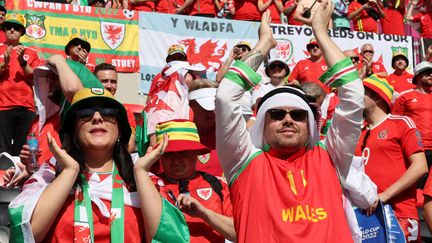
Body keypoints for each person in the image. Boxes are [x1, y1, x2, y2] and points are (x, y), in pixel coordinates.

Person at [215, 3, 364, 242]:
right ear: (262, 121)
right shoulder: (243, 162)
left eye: (297, 115)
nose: (287, 120)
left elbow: (354, 93)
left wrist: (321, 33)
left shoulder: (330, 156)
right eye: (276, 114)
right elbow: (225, 96)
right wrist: (264, 45)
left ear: (310, 123)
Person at [8, 88, 189, 242]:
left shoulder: (141, 176)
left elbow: (165, 236)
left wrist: (141, 172)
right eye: (85, 112)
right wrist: (70, 172)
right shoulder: (50, 173)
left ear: (120, 130)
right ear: (72, 131)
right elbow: (28, 234)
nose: (97, 117)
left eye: (108, 112)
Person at [355, 75, 427, 242]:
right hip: (368, 218)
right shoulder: (359, 133)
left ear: (377, 97)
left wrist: (384, 195)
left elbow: (420, 166)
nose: (356, 97)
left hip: (399, 214)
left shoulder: (401, 123)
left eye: (362, 92)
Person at [153, 119, 235, 242]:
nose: (176, 160)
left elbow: (237, 233)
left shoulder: (218, 185)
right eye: (169, 153)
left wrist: (204, 214)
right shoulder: (151, 185)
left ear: (196, 152)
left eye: (183, 152)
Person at [0, 13, 41, 156]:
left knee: (23, 150)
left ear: (22, 32)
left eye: (16, 28)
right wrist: (3, 64)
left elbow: (37, 79)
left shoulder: (31, 52)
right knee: (2, 151)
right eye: (9, 27)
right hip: (2, 107)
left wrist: (22, 62)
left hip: (27, 107)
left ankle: (21, 178)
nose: (12, 30)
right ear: (4, 30)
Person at [393, 61, 432, 174]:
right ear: (418, 76)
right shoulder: (404, 97)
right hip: (415, 149)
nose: (431, 75)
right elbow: (396, 123)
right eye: (428, 72)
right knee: (416, 188)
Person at [94, 63, 137, 152]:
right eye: (104, 81)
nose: (109, 86)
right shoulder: (83, 107)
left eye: (113, 81)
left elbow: (129, 147)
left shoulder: (125, 112)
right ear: (94, 82)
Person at [189, 79, 223, 176]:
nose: (210, 112)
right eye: (203, 107)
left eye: (215, 106)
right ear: (191, 105)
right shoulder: (178, 135)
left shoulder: (228, 134)